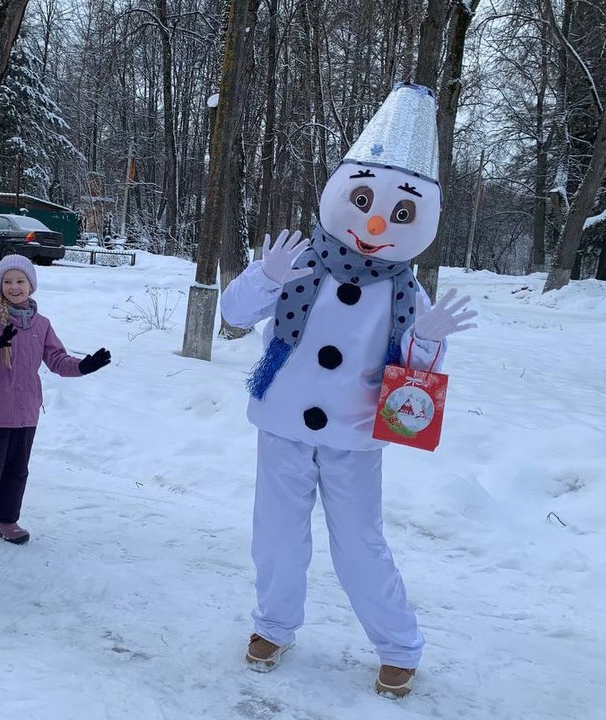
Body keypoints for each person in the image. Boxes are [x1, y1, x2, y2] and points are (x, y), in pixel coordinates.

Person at [220, 84, 477, 696]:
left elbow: (413, 378)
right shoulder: (302, 259)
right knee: (277, 534)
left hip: (357, 434)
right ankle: (274, 625)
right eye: (362, 200)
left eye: (401, 213)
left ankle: (397, 644)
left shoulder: (406, 291)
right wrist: (262, 276)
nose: (377, 222)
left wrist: (430, 339)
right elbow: (232, 314)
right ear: (342, 191)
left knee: (359, 541)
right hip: (283, 420)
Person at [0, 255, 111, 560]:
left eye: (20, 281)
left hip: (26, 411)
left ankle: (4, 520)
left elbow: (57, 360)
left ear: (31, 285)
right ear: (0, 286)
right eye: (8, 282)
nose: (15, 287)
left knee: (16, 470)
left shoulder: (41, 324)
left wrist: (84, 366)